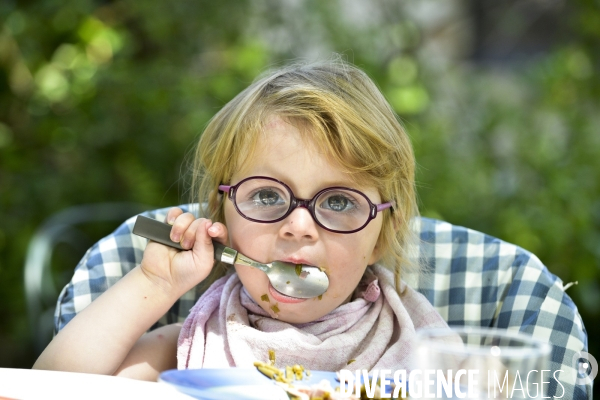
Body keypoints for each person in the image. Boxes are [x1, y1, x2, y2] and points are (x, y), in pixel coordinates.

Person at [34, 60, 590, 399]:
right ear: (222, 215)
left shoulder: (421, 352)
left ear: (383, 231)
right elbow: (53, 390)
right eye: (267, 196)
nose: (299, 226)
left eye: (340, 201)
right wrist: (155, 286)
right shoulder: (194, 348)